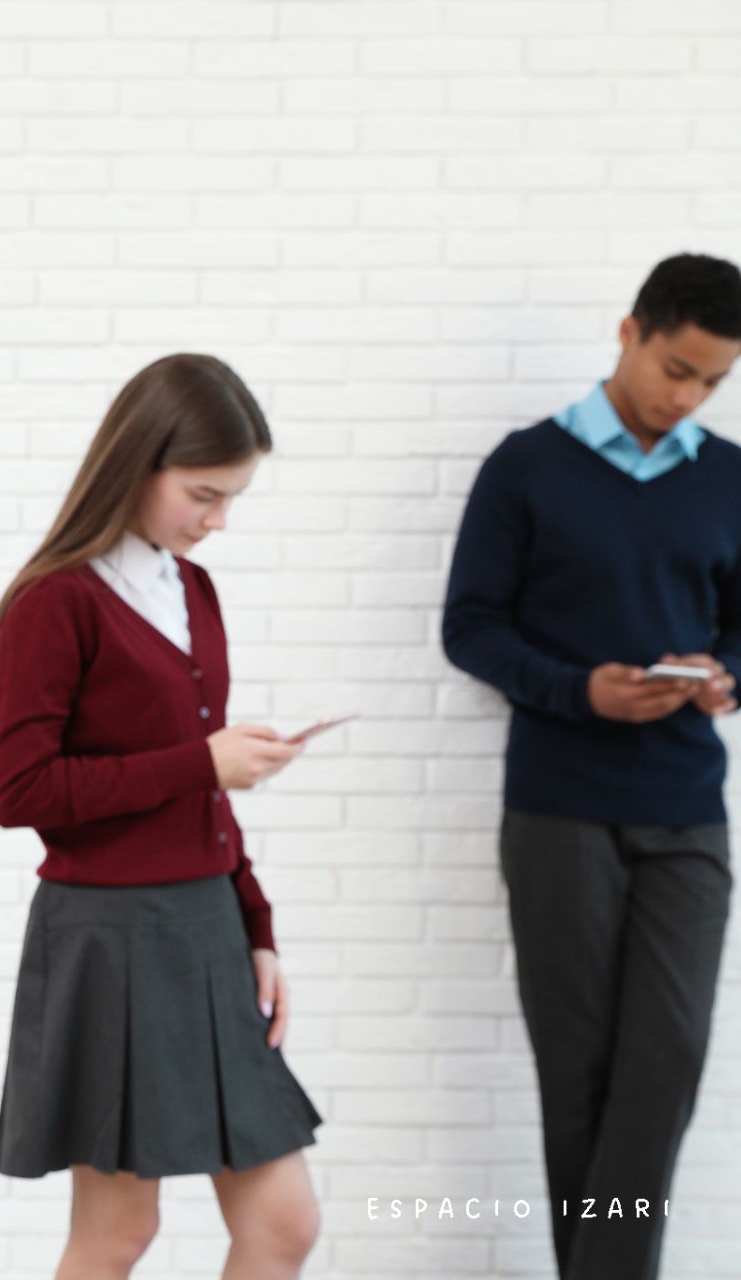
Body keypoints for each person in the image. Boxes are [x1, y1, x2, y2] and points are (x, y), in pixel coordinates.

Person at [0, 354, 323, 1280]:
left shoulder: (192, 590)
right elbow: (20, 791)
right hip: (110, 934)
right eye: (205, 494)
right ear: (138, 463)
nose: (218, 520)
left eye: (233, 499)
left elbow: (206, 794)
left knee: (284, 1222)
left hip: (207, 923)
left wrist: (257, 927)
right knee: (119, 1232)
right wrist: (200, 762)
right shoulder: (55, 602)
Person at [442, 253, 741, 1280]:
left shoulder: (731, 475)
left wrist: (722, 671)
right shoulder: (526, 468)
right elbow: (470, 628)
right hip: (559, 807)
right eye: (676, 368)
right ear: (629, 331)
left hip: (686, 809)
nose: (688, 395)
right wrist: (583, 691)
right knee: (576, 1072)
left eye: (713, 379)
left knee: (667, 1060)